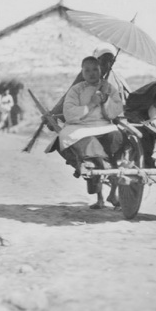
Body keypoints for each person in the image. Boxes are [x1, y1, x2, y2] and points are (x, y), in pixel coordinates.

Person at [46, 56, 124, 209]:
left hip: (104, 126)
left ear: (100, 70)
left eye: (95, 69)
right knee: (92, 152)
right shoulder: (76, 90)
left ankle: (112, 192)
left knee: (119, 140)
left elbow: (116, 110)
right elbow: (69, 113)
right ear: (82, 72)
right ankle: (100, 197)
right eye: (87, 70)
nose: (92, 73)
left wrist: (106, 101)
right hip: (81, 127)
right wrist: (91, 104)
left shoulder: (108, 87)